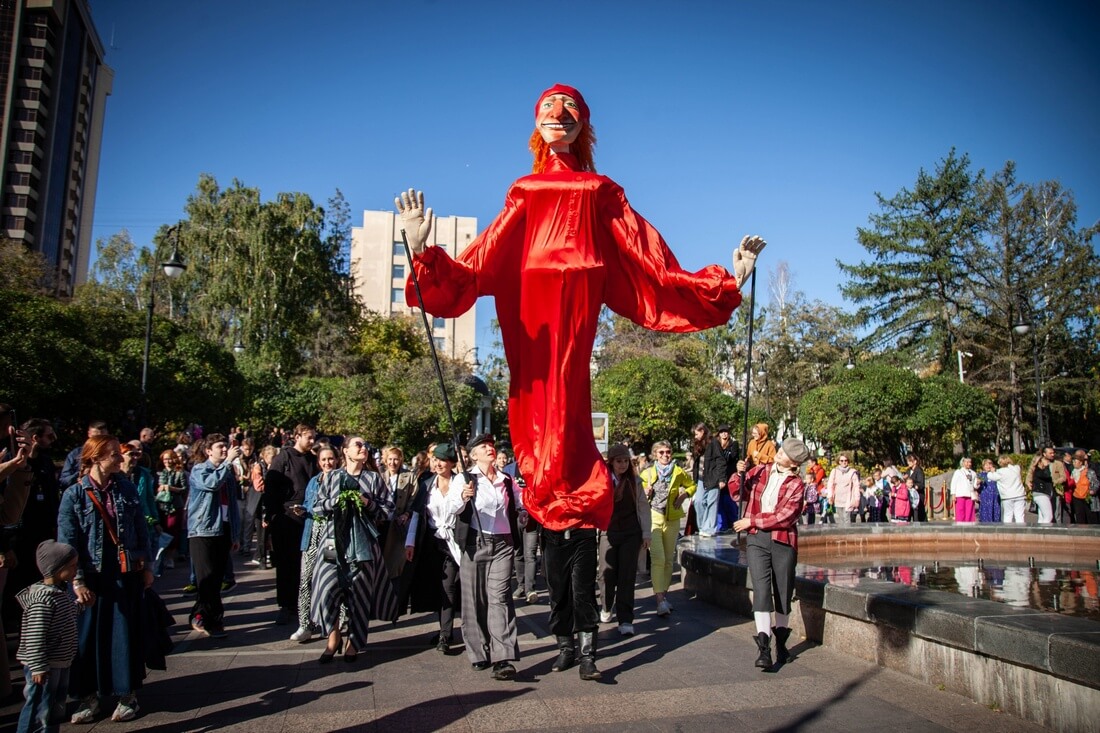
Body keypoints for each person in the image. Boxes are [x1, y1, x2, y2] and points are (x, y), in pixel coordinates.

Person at [396, 83, 763, 658]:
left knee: (568, 397)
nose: (556, 119)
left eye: (567, 112)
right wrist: (425, 254)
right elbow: (480, 264)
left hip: (579, 304)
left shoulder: (599, 189)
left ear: (582, 125)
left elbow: (652, 264)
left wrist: (726, 281)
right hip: (533, 313)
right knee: (534, 401)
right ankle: (564, 580)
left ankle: (577, 580)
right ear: (536, 125)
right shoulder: (524, 189)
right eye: (547, 111)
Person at [57, 435, 153, 724]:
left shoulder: (125, 488)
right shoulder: (74, 494)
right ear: (96, 458)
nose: (120, 459)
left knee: (124, 634)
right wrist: (78, 582)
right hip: (91, 574)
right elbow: (68, 542)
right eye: (113, 454)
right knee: (87, 638)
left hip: (124, 572)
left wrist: (146, 565)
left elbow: (140, 528)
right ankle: (89, 697)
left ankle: (127, 696)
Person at [310, 436, 398, 664]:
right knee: (327, 588)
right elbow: (317, 507)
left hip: (363, 544)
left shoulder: (373, 479)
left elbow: (389, 510)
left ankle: (354, 642)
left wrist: (368, 503)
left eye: (365, 446)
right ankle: (333, 636)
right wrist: (335, 501)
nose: (363, 448)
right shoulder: (333, 477)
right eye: (358, 445)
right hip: (332, 541)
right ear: (346, 451)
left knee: (360, 594)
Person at [446, 434, 527, 680]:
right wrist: (462, 497)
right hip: (474, 543)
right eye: (483, 446)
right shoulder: (464, 479)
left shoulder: (506, 479)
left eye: (491, 446)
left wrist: (523, 512)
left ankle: (502, 657)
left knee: (499, 598)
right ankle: (479, 651)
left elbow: (520, 502)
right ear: (473, 455)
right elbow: (450, 509)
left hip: (503, 543)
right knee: (474, 601)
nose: (490, 449)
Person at [731, 438, 811, 670]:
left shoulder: (796, 484)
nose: (779, 452)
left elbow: (785, 516)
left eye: (784, 452)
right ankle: (764, 648)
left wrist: (751, 520)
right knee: (762, 590)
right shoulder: (761, 471)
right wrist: (739, 474)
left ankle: (781, 644)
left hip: (782, 540)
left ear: (793, 461)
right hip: (756, 539)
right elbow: (737, 493)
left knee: (783, 593)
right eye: (781, 449)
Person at [15, 540, 79, 733]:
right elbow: (35, 637)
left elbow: (66, 615)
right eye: (73, 566)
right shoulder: (42, 601)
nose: (77, 570)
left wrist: (82, 606)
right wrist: (38, 667)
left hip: (59, 661)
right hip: (45, 666)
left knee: (53, 707)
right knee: (39, 708)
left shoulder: (59, 593)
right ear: (57, 569)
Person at [187, 433, 241, 639]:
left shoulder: (227, 471)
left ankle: (200, 614)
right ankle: (213, 620)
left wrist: (234, 534)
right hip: (203, 530)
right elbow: (211, 484)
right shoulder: (201, 469)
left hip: (223, 529)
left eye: (225, 447)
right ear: (209, 451)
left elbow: (232, 506)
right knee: (206, 577)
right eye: (220, 447)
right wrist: (227, 463)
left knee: (216, 578)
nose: (225, 450)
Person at [264, 425, 317, 625]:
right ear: (297, 437)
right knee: (286, 564)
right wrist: (273, 515)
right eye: (308, 437)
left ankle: (305, 603)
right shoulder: (283, 458)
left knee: (306, 564)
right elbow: (271, 487)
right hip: (287, 519)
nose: (312, 441)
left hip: (307, 518)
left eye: (313, 438)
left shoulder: (313, 459)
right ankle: (286, 605)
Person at [599, 444, 651, 637]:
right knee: (606, 573)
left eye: (625, 461)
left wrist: (646, 533)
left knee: (627, 576)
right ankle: (606, 606)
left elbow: (643, 508)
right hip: (608, 531)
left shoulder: (634, 481)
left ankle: (626, 619)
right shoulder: (602, 480)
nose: (622, 465)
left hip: (631, 532)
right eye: (618, 461)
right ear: (611, 462)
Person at [416, 443, 463, 652]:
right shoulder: (427, 484)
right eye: (435, 459)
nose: (438, 463)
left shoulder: (460, 483)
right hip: (431, 539)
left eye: (443, 460)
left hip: (453, 540)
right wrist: (410, 543)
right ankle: (444, 629)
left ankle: (445, 635)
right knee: (436, 587)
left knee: (449, 587)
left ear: (452, 463)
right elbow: (418, 513)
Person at [290, 444, 339, 643]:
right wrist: (302, 509)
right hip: (311, 536)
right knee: (305, 580)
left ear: (337, 460)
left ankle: (334, 623)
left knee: (332, 582)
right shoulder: (313, 482)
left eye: (330, 459)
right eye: (324, 460)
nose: (327, 463)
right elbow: (310, 505)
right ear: (319, 463)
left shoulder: (342, 480)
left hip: (331, 541)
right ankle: (305, 624)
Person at [640, 440, 694, 618]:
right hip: (654, 518)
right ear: (655, 454)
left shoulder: (678, 472)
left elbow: (692, 485)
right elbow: (636, 494)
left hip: (672, 519)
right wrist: (644, 491)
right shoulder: (647, 473)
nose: (665, 455)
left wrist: (685, 494)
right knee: (658, 559)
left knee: (669, 560)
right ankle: (659, 599)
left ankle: (664, 594)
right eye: (661, 452)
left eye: (668, 452)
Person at [154, 450, 187, 575]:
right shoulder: (159, 473)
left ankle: (170, 557)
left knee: (173, 530)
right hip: (162, 505)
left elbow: (184, 489)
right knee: (162, 530)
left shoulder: (180, 473)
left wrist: (170, 488)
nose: (167, 461)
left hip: (175, 505)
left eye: (169, 459)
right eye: (164, 459)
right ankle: (160, 557)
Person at [694, 424, 727, 538]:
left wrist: (722, 479)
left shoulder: (714, 443)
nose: (695, 436)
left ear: (702, 431)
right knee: (698, 501)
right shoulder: (698, 444)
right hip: (701, 479)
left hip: (713, 477)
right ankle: (703, 526)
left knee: (712, 503)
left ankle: (710, 529)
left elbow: (721, 460)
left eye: (697, 433)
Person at [246, 445, 276, 568]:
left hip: (271, 503)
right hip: (260, 504)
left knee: (272, 533)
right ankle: (262, 559)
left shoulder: (274, 467)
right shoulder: (258, 467)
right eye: (271, 457)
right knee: (262, 534)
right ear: (265, 456)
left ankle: (273, 559)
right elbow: (259, 486)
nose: (273, 460)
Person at [58, 420, 108, 490]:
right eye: (94, 437)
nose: (97, 441)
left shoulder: (113, 455)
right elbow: (64, 481)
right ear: (89, 434)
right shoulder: (75, 454)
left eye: (101, 438)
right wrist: (81, 473)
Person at [714, 424, 740, 532]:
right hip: (719, 477)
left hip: (730, 476)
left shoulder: (733, 444)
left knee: (729, 500)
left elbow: (731, 458)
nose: (724, 434)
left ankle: (734, 523)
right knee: (719, 501)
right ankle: (722, 525)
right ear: (719, 434)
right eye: (722, 432)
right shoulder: (716, 445)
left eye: (726, 432)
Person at [826, 454, 860, 524]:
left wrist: (857, 499)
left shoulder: (852, 472)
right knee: (841, 519)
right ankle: (843, 533)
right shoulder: (834, 471)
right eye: (841, 460)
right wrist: (830, 496)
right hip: (837, 499)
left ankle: (848, 533)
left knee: (847, 519)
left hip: (848, 499)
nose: (844, 462)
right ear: (839, 461)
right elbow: (830, 484)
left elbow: (856, 486)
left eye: (845, 460)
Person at [949, 457, 979, 523]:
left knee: (969, 511)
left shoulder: (973, 473)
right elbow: (953, 483)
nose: (969, 463)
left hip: (970, 495)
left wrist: (977, 483)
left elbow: (975, 486)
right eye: (967, 462)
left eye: (970, 462)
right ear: (963, 463)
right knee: (960, 510)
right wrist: (953, 494)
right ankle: (960, 524)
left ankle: (969, 525)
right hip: (960, 494)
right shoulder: (958, 472)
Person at [1070, 450, 1095, 525]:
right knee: (1079, 516)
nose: (1074, 463)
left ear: (1081, 462)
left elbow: (1096, 483)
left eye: (1075, 461)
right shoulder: (1073, 472)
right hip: (1076, 496)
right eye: (1073, 462)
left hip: (1087, 496)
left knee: (1089, 516)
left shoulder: (1088, 471)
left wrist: (1093, 490)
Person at [905, 454, 927, 521]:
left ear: (915, 461)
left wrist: (912, 485)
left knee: (918, 513)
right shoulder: (908, 471)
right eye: (908, 461)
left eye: (910, 461)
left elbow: (921, 484)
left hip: (918, 495)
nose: (908, 463)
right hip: (910, 495)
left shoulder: (919, 471)